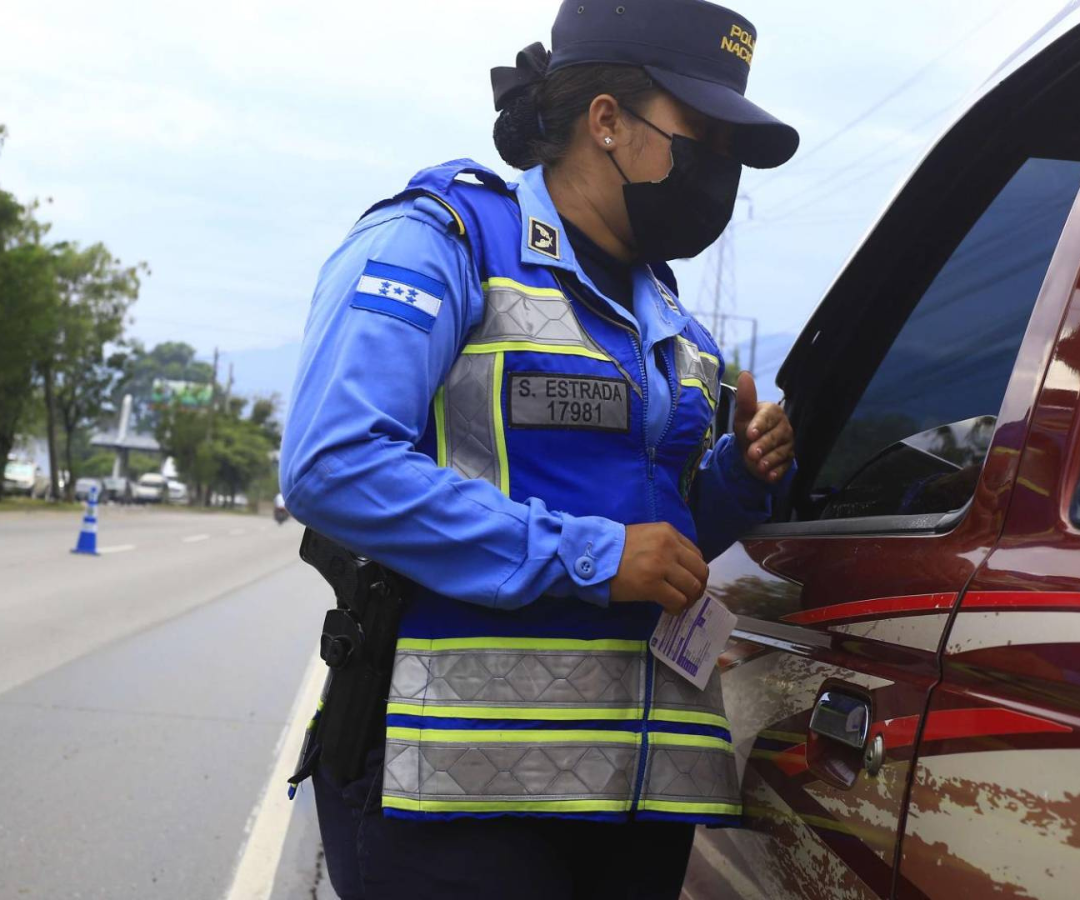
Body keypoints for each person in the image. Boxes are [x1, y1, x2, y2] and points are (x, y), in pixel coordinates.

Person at [280, 1, 799, 897]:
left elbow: (661, 544)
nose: (721, 168)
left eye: (733, 150)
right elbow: (334, 464)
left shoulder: (676, 323)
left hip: (641, 803)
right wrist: (589, 555)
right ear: (606, 121)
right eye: (703, 135)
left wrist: (738, 478)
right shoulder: (443, 239)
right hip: (456, 797)